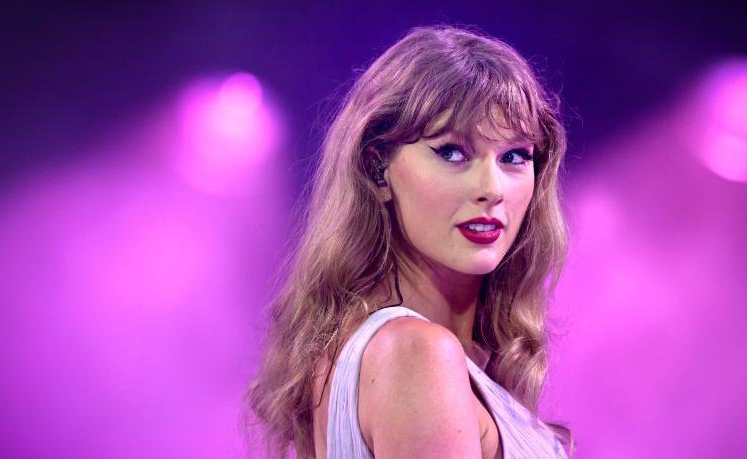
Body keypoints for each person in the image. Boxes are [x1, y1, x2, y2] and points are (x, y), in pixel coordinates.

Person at [244, 25, 573, 458]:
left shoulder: (363, 351)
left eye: (514, 156)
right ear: (378, 169)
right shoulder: (416, 354)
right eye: (452, 152)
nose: (492, 188)